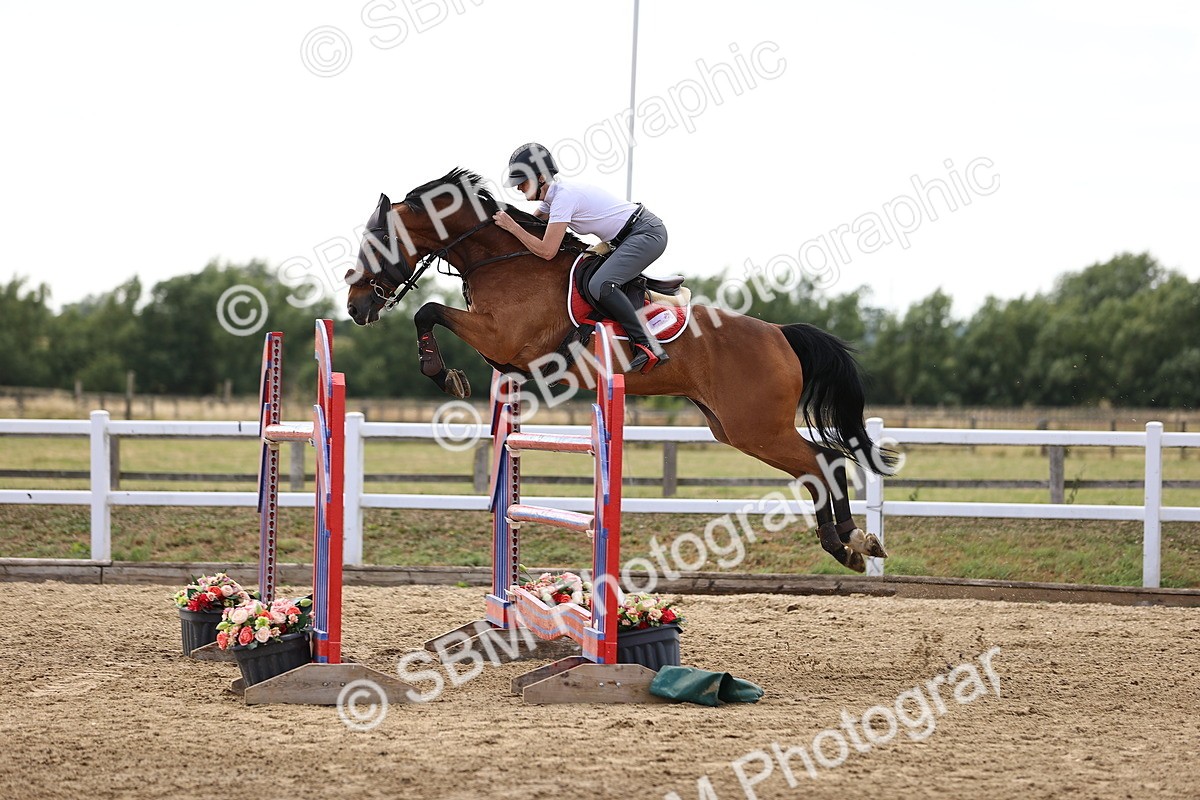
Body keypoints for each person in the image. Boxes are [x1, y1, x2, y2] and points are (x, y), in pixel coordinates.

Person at [492, 142, 670, 373]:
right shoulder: (552, 199)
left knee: (601, 284)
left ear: (541, 177)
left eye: (522, 181)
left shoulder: (564, 198)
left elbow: (547, 251)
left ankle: (647, 345)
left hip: (646, 234)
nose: (518, 188)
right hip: (629, 236)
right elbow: (533, 225)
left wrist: (512, 227)